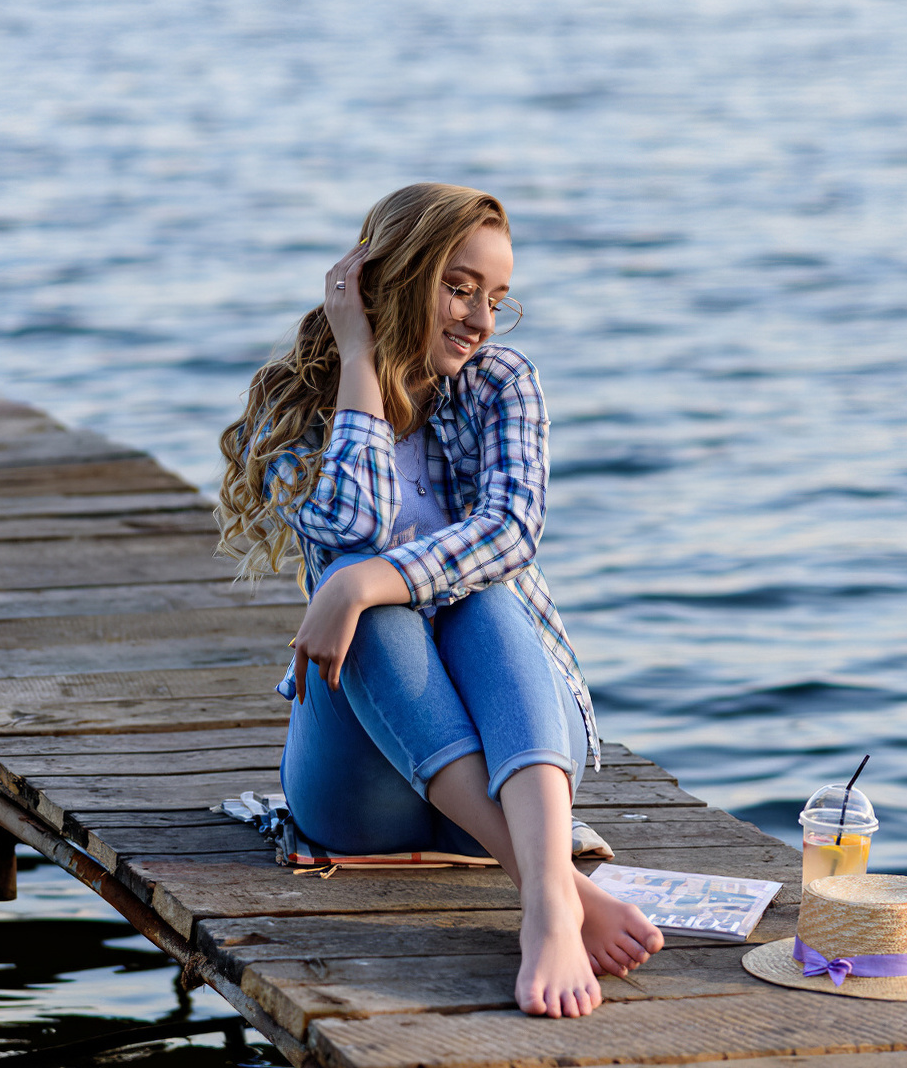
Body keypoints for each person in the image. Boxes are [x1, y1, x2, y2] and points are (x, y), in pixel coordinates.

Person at [215, 183, 664, 1018]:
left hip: (513, 765)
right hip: (360, 789)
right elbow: (352, 525)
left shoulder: (502, 384)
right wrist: (358, 360)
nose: (481, 320)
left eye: (496, 298)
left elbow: (511, 533)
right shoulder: (298, 408)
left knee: (483, 599)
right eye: (458, 288)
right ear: (390, 277)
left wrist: (357, 582)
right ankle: (556, 884)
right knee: (377, 618)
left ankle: (543, 904)